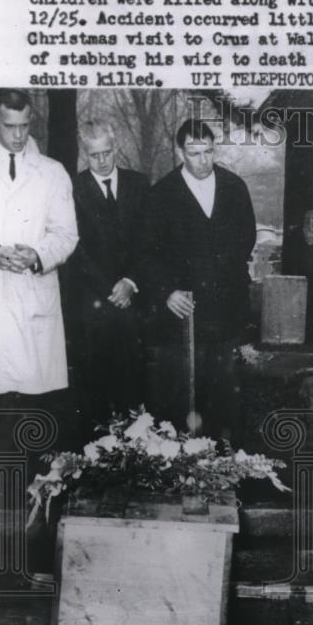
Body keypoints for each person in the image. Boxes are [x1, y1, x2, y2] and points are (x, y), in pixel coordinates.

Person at [0, 88, 79, 580]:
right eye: (10, 126)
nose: (19, 135)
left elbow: (66, 234)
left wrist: (37, 254)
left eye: (26, 126)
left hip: (35, 307)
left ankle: (38, 552)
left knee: (40, 431)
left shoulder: (52, 172)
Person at [140, 119, 256, 444]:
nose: (203, 160)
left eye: (208, 151)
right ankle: (179, 471)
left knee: (224, 402)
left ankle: (226, 470)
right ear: (180, 152)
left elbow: (245, 239)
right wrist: (166, 292)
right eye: (194, 153)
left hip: (225, 316)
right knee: (181, 401)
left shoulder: (234, 188)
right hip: (182, 320)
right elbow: (147, 253)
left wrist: (222, 278)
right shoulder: (161, 195)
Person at [65, 119, 151, 439]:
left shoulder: (139, 184)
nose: (102, 161)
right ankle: (95, 457)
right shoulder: (73, 189)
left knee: (135, 383)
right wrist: (110, 289)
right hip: (93, 303)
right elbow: (77, 248)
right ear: (84, 154)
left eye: (107, 151)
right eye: (93, 155)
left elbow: (148, 241)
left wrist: (130, 281)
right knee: (94, 387)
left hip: (134, 298)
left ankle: (140, 453)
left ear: (116, 147)